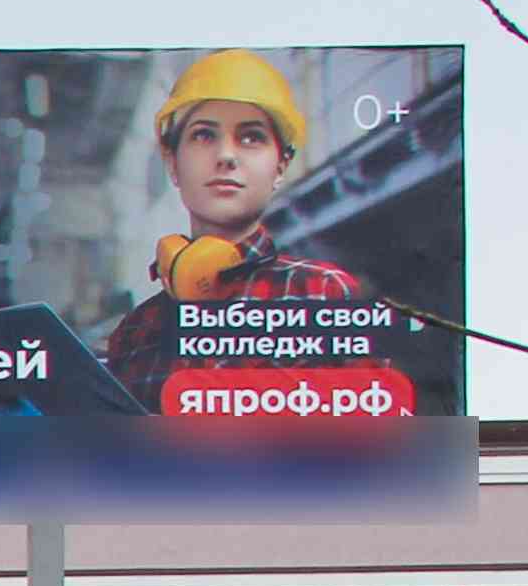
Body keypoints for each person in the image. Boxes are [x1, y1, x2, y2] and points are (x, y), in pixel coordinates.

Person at [98, 49, 389, 404]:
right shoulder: (136, 332)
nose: (226, 156)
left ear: (280, 167)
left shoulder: (326, 294)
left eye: (251, 137)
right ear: (172, 164)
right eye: (204, 136)